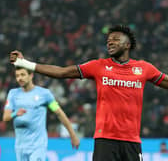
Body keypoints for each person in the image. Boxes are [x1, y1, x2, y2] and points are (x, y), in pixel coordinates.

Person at [10, 25, 168, 161]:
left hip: (131, 141)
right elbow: (62, 72)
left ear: (127, 45)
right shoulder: (98, 66)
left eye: (115, 39)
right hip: (105, 140)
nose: (110, 42)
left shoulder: (143, 68)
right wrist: (24, 63)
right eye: (108, 41)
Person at [3, 67, 79, 161]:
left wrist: (72, 134)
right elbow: (5, 117)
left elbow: (59, 113)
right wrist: (15, 114)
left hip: (37, 145)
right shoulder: (13, 94)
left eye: (23, 75)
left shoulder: (44, 94)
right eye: (17, 76)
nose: (20, 78)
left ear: (31, 75)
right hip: (20, 146)